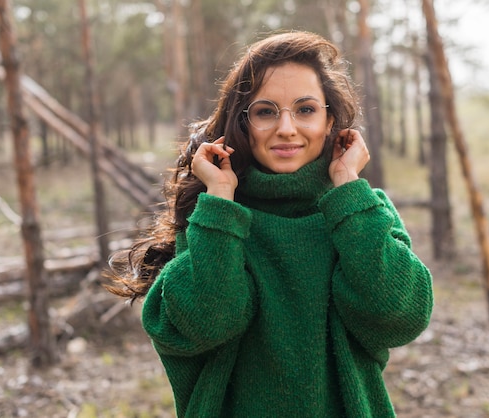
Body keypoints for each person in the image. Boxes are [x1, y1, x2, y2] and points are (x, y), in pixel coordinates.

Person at [105, 30, 434, 417]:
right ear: (243, 124)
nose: (287, 128)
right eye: (266, 111)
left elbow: (398, 318)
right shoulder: (215, 217)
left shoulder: (361, 211)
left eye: (306, 109)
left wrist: (347, 187)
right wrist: (221, 199)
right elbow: (205, 323)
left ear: (330, 120)